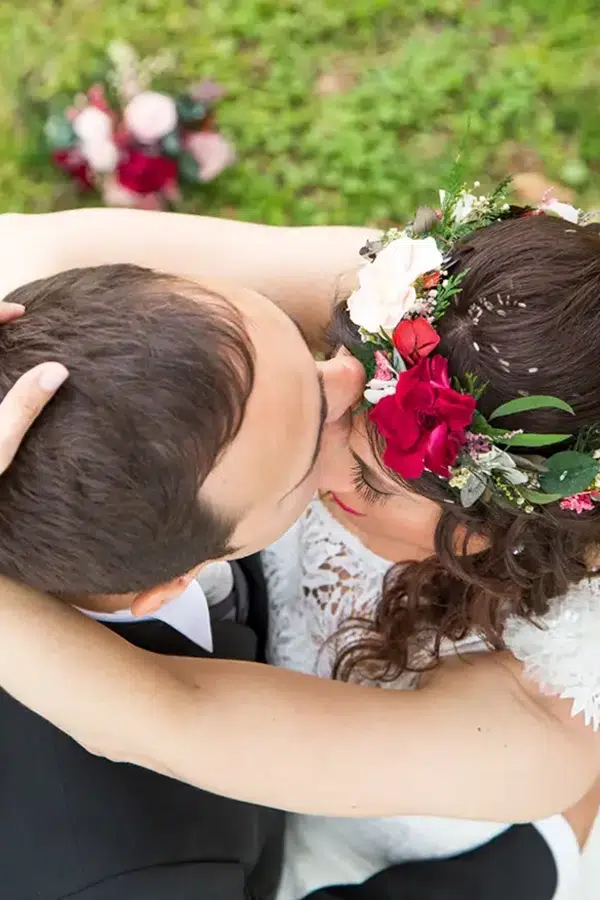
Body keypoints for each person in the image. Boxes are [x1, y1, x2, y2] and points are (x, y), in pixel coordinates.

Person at [0, 193, 599, 900]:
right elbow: (29, 250)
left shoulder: (544, 727)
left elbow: (168, 716)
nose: (335, 403)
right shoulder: (461, 331)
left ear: (482, 540)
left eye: (372, 482)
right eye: (343, 355)